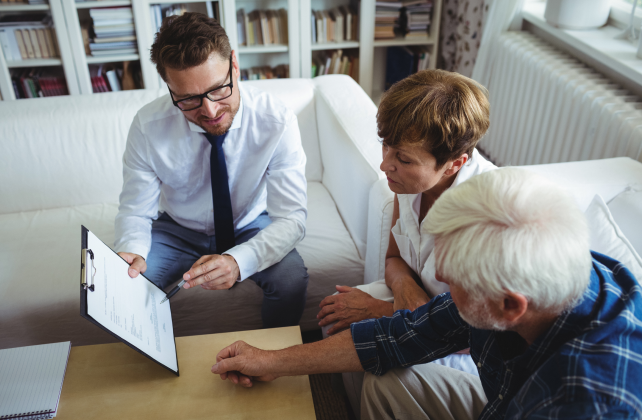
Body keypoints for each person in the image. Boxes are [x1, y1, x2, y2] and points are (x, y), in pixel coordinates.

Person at [211, 168, 642, 419]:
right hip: (503, 397)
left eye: (453, 281)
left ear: (510, 306)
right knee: (385, 383)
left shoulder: (589, 402)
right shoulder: (546, 266)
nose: (436, 278)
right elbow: (401, 335)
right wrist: (272, 361)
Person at [114, 13, 309, 328]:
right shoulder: (147, 126)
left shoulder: (277, 121)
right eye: (188, 99)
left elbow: (292, 219)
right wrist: (131, 250)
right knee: (126, 286)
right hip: (177, 230)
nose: (210, 110)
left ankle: (272, 354)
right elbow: (135, 211)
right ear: (169, 88)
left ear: (235, 65)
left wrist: (238, 261)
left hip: (249, 223)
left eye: (218, 89)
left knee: (290, 281)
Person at [318, 69, 496, 409]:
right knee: (338, 317)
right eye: (386, 145)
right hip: (423, 310)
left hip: (469, 351)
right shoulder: (411, 183)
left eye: (403, 158)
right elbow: (393, 258)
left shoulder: (484, 221)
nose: (384, 165)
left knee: (380, 371)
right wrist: (404, 287)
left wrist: (379, 310)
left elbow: (472, 335)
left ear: (454, 164)